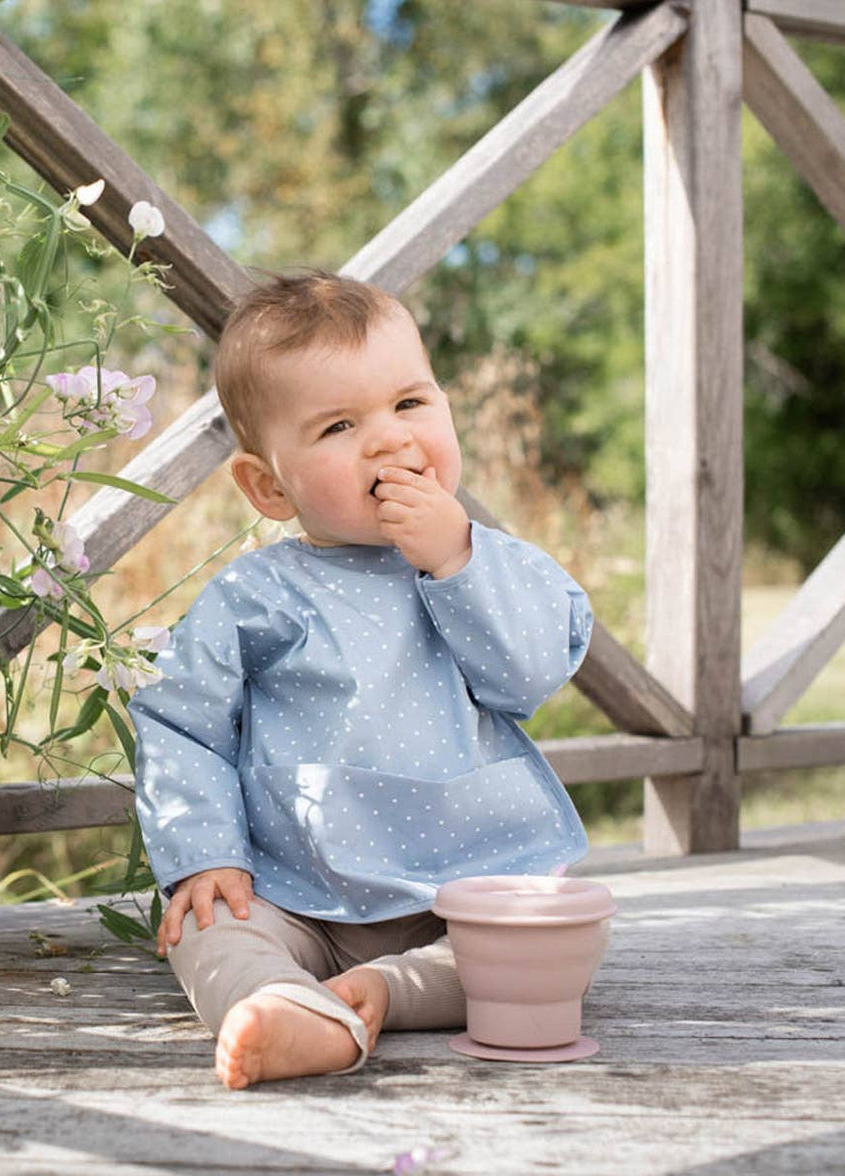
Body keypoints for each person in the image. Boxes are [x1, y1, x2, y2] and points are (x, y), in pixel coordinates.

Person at [128, 270, 593, 1089]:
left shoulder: (494, 562)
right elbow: (180, 723)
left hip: (470, 883)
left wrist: (456, 559)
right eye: (340, 426)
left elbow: (530, 676)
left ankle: (383, 992)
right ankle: (277, 1001)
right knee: (204, 927)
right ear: (270, 486)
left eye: (410, 403)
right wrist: (205, 855)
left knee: (562, 937)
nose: (388, 440)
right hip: (297, 891)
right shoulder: (258, 595)